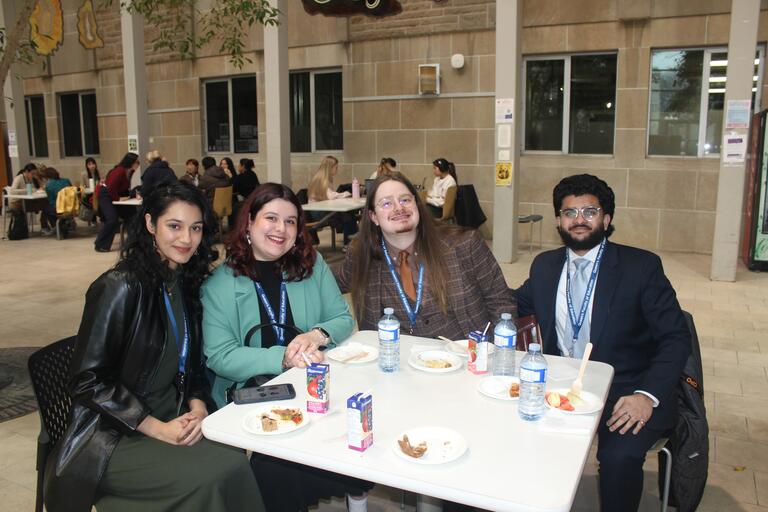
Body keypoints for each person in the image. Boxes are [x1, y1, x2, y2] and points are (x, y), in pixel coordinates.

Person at [44, 181, 263, 512]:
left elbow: (192, 366)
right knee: (218, 472)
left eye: (196, 228)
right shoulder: (119, 287)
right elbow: (88, 381)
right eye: (174, 226)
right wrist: (157, 428)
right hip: (113, 436)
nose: (186, 239)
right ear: (149, 224)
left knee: (232, 451)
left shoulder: (184, 283)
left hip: (171, 413)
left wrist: (198, 406)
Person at [513, 174, 691, 512]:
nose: (579, 220)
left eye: (589, 211)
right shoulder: (545, 266)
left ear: (606, 219)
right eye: (569, 212)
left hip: (627, 388)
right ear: (557, 221)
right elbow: (516, 304)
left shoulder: (641, 267)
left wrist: (647, 395)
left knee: (618, 457)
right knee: (515, 433)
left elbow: (675, 337)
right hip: (561, 384)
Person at [201, 182, 372, 512]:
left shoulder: (311, 265)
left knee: (360, 434)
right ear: (248, 222)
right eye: (271, 218)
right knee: (275, 472)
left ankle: (354, 486)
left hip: (315, 387)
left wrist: (316, 335)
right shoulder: (219, 285)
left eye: (291, 221)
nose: (281, 229)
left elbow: (340, 317)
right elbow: (221, 356)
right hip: (255, 394)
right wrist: (282, 357)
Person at [336, 172, 514, 340]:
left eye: (405, 200)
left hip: (467, 361)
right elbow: (326, 288)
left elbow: (501, 303)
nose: (399, 208)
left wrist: (492, 354)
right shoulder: (360, 255)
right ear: (373, 217)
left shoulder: (465, 245)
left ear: (417, 206)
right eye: (386, 203)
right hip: (395, 363)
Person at [307, 155, 358, 249]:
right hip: (318, 212)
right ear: (329, 168)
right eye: (336, 167)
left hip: (323, 209)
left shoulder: (325, 179)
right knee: (348, 217)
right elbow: (331, 196)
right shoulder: (321, 180)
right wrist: (345, 194)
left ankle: (350, 243)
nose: (337, 170)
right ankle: (348, 245)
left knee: (349, 215)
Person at [95, 153, 140, 252]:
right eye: (137, 162)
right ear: (131, 162)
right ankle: (100, 244)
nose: (138, 164)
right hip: (106, 195)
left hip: (114, 195)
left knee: (132, 215)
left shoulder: (129, 171)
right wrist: (117, 198)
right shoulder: (119, 171)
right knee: (112, 219)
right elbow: (111, 187)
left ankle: (133, 242)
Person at [39, 167, 73, 235]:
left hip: (58, 208)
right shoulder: (66, 180)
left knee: (45, 209)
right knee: (50, 208)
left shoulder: (49, 185)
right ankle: (61, 224)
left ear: (47, 177)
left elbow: (51, 201)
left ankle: (47, 227)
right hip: (70, 206)